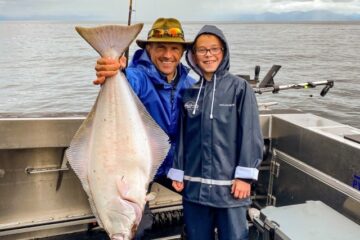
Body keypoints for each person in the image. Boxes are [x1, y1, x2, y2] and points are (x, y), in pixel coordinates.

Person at [94, 18, 196, 239]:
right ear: (149, 48)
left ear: (182, 52)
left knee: (203, 199)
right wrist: (113, 70)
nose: (167, 55)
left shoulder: (190, 85)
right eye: (160, 47)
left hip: (173, 163)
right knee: (135, 226)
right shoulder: (137, 76)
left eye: (174, 48)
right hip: (138, 165)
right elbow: (126, 78)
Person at [167, 25, 264, 240]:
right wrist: (178, 170)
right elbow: (182, 137)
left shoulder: (240, 88)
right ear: (193, 55)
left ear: (224, 51)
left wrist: (244, 177)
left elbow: (250, 134)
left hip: (231, 189)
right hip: (194, 188)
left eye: (214, 49)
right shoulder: (189, 93)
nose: (208, 54)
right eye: (202, 50)